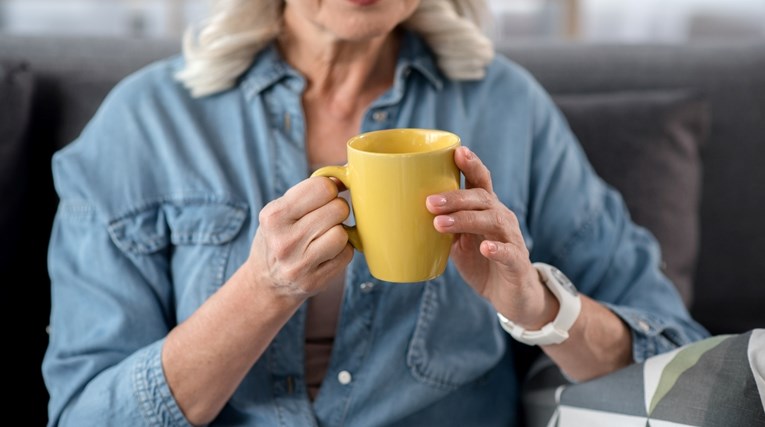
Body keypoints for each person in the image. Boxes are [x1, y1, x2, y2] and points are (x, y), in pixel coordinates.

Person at [42, 0, 709, 426]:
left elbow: (679, 368)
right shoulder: (144, 124)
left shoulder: (505, 108)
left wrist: (540, 308)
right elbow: (84, 416)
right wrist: (261, 291)